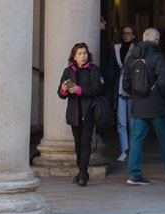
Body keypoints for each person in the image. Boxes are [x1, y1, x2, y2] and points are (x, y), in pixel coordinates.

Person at [123, 28, 165, 185]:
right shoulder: (158, 56)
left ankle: (134, 174)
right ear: (156, 41)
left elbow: (125, 84)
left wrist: (137, 95)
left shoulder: (131, 57)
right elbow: (164, 82)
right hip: (157, 105)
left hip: (139, 106)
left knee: (136, 139)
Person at [56, 42, 106, 187]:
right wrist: (64, 89)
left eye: (84, 53)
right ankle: (81, 170)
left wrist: (80, 90)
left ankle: (83, 173)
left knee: (85, 142)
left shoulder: (94, 70)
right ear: (74, 56)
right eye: (79, 54)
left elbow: (99, 88)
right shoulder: (68, 71)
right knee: (78, 143)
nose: (82, 56)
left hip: (88, 111)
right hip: (74, 112)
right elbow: (61, 94)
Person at [105, 24, 136, 162]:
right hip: (119, 89)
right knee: (121, 122)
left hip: (133, 89)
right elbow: (111, 69)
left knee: (132, 122)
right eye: (124, 33)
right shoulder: (116, 49)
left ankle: (134, 150)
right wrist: (107, 86)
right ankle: (124, 150)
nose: (126, 35)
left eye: (129, 33)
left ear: (134, 35)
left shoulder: (136, 50)